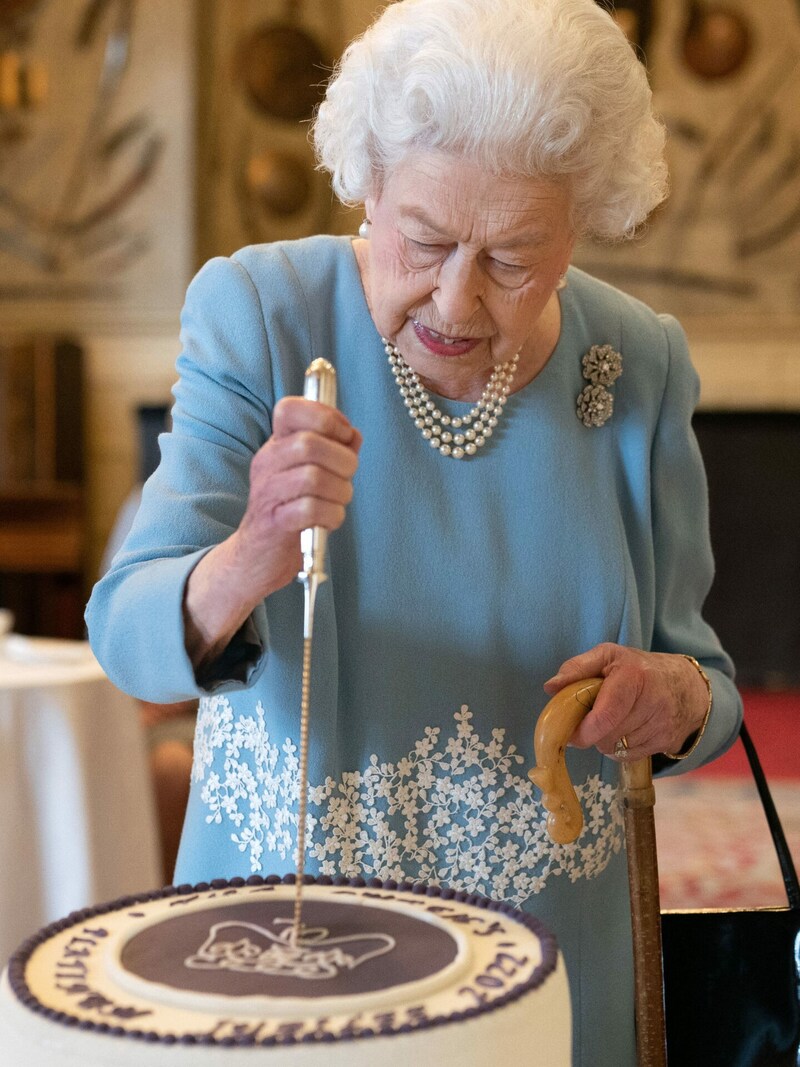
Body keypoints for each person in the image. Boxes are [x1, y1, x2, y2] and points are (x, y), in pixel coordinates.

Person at [86, 1, 743, 1063]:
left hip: (554, 966)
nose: (455, 298)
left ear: (583, 222)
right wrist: (256, 541)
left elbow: (703, 680)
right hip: (293, 953)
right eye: (426, 239)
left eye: (513, 259)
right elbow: (125, 634)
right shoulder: (261, 312)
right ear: (367, 182)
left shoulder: (637, 360)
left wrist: (670, 695)